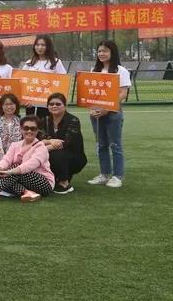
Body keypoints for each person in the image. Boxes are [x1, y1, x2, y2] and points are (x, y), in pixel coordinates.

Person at [86, 39, 131, 188]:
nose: (101, 54)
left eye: (104, 51)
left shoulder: (121, 71)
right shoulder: (94, 70)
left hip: (113, 114)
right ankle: (104, 174)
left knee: (115, 145)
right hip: (96, 114)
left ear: (112, 52)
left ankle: (117, 176)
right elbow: (90, 93)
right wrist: (92, 109)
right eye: (99, 51)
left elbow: (122, 93)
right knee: (101, 145)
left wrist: (107, 109)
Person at [0, 116, 54, 202]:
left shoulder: (40, 147)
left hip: (44, 184)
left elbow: (31, 164)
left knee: (15, 169)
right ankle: (27, 193)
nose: (29, 131)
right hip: (22, 181)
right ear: (21, 129)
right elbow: (6, 159)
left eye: (33, 129)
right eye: (26, 128)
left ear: (37, 130)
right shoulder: (15, 145)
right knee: (2, 175)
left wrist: (11, 172)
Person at [42, 93, 86, 195]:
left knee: (54, 153)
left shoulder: (73, 120)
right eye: (51, 104)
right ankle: (54, 178)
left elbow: (67, 142)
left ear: (64, 106)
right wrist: (50, 141)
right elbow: (40, 136)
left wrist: (46, 147)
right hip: (55, 153)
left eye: (58, 104)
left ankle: (64, 182)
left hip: (74, 157)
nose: (54, 106)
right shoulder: (45, 120)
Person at [22, 34, 67, 117]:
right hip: (31, 105)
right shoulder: (29, 63)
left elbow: (63, 82)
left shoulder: (56, 62)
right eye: (37, 45)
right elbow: (22, 83)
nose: (40, 47)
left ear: (48, 47)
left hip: (50, 105)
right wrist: (25, 100)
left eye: (43, 45)